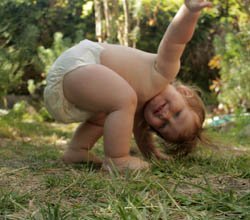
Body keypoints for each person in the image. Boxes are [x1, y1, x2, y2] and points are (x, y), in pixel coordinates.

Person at [44, 0, 212, 171]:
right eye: (177, 114)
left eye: (163, 126)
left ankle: (77, 150)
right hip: (78, 65)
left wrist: (152, 155)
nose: (165, 116)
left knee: (105, 116)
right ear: (184, 92)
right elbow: (176, 42)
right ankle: (117, 159)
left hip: (71, 91)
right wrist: (189, 11)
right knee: (123, 99)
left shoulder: (134, 111)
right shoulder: (164, 71)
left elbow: (142, 136)